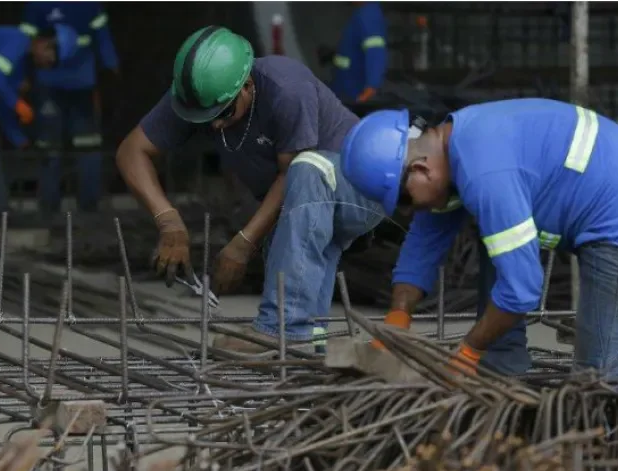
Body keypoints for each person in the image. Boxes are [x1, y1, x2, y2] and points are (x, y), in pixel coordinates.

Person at [340, 99, 618, 382]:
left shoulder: (486, 173)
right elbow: (423, 242)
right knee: (499, 242)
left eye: (404, 200)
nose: (408, 211)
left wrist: (468, 351)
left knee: (599, 384)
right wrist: (398, 319)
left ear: (421, 169)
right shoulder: (457, 146)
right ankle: (502, 370)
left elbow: (522, 289)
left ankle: (604, 460)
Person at [116, 26, 384, 354]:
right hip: (309, 201)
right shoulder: (199, 97)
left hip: (359, 187)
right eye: (204, 119)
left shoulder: (287, 87)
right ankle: (309, 343)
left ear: (247, 85)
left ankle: (284, 328)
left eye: (224, 113)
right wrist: (168, 220)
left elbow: (292, 174)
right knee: (289, 249)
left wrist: (243, 243)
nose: (214, 125)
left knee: (306, 170)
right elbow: (131, 151)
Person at [0, 24, 79, 239]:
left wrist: (20, 140)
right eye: (52, 57)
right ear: (44, 43)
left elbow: (0, 103)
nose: (49, 64)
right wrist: (17, 104)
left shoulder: (19, 62)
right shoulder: (19, 41)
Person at [20, 2, 121, 216]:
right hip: (62, 82)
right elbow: (25, 41)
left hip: (73, 84)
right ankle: (68, 209)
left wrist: (110, 67)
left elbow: (26, 42)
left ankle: (72, 209)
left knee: (71, 147)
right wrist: (111, 67)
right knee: (65, 147)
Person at [329, 1, 388, 103]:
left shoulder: (369, 15)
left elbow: (375, 52)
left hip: (353, 92)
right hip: (345, 89)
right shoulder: (363, 13)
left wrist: (370, 88)